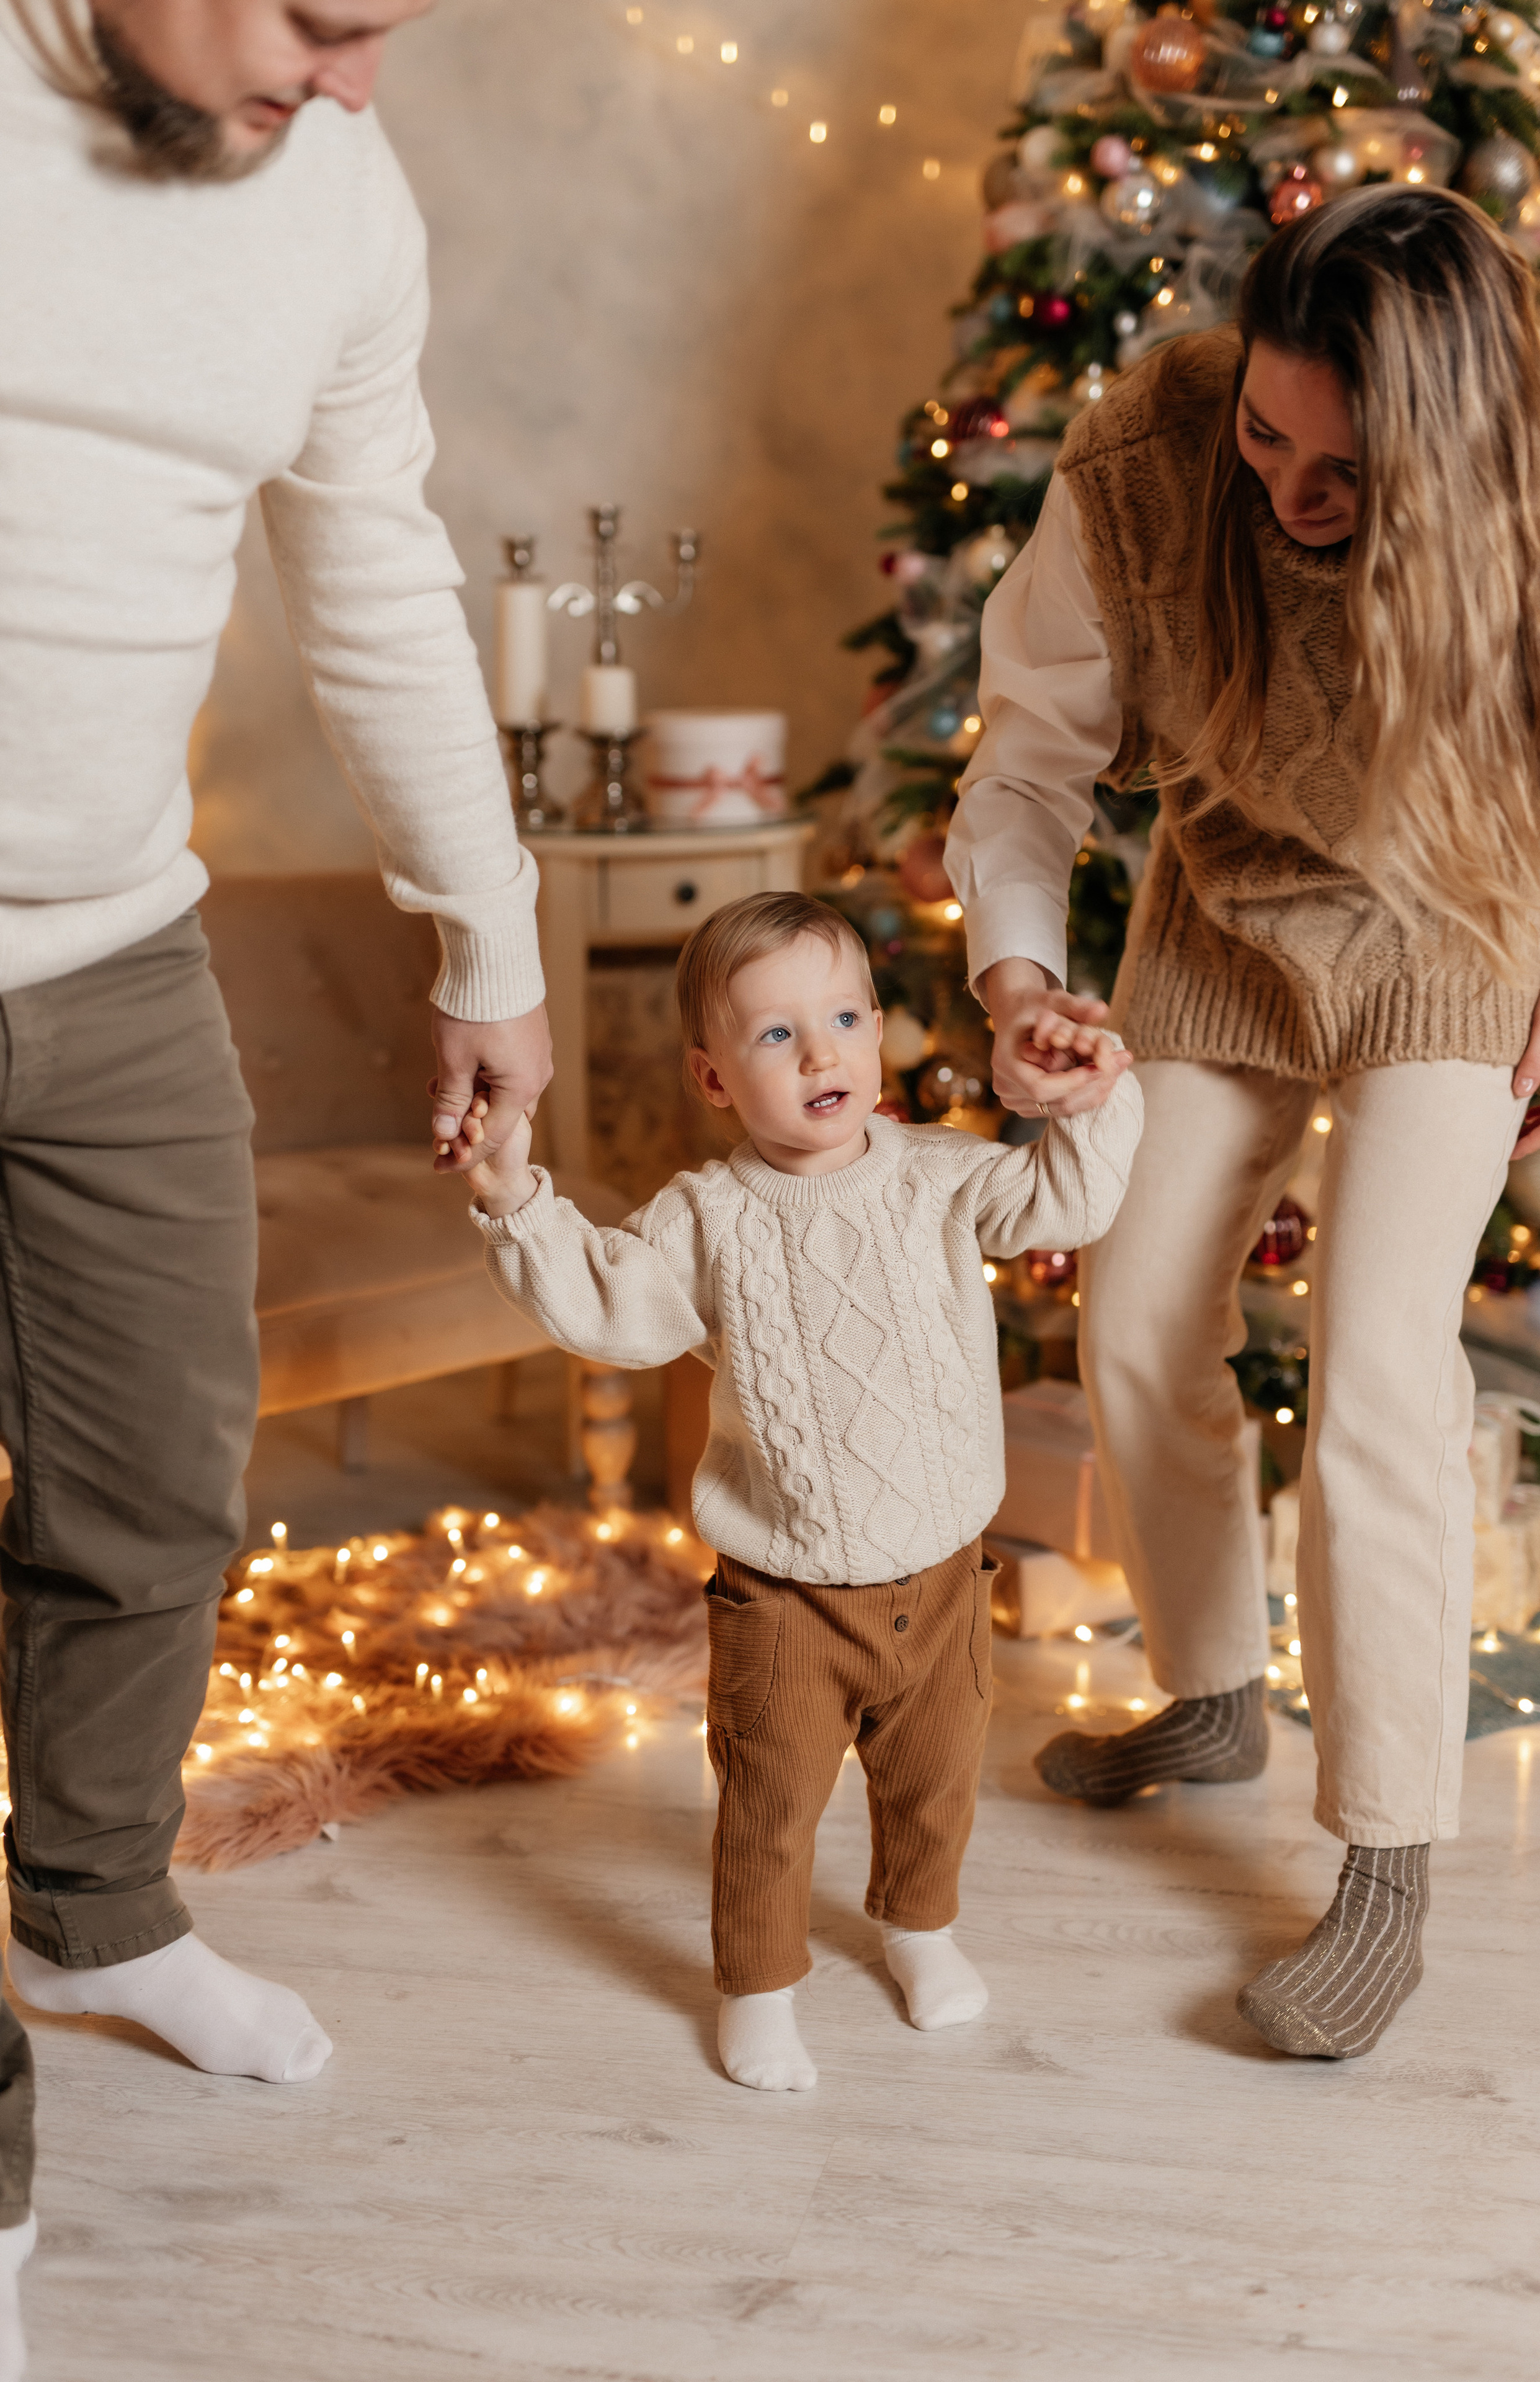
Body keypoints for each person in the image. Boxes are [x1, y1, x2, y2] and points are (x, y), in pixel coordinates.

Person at [0, 0, 550, 2326]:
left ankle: (94, 1909)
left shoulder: (339, 199)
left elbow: (376, 575)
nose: (356, 84)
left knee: (153, 1488)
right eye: (327, 21)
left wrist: (488, 938)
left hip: (117, 950)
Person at [945, 185, 1540, 2061]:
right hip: (1224, 916)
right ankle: (1215, 1693)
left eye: (1346, 473)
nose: (1291, 494)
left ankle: (1382, 1862)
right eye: (1266, 437)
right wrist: (1015, 980)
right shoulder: (1143, 457)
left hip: (1453, 927)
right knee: (1141, 1311)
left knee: (1378, 1364)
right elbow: (1030, 755)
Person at [456, 891, 1142, 2092]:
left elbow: (1067, 1203)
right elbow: (609, 1306)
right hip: (785, 1598)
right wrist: (517, 1201)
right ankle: (759, 1986)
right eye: (776, 1034)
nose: (820, 1054)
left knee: (933, 1787)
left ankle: (918, 1930)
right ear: (713, 1078)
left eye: (843, 1019)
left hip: (942, 1575)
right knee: (769, 1809)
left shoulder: (938, 1175)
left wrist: (1088, 1099)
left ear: (877, 1030)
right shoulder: (705, 1219)